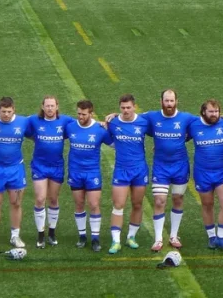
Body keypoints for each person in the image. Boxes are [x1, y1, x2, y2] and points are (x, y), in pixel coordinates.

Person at [142, 90, 196, 251]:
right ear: (161, 102)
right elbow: (131, 117)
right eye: (166, 101)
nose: (169, 104)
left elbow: (206, 121)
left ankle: (173, 235)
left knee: (178, 199)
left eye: (172, 101)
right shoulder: (152, 116)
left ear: (176, 102)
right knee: (159, 201)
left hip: (180, 166)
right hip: (161, 167)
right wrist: (114, 116)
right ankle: (158, 239)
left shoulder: (186, 118)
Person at [189, 99, 223, 252]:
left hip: (222, 173)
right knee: (207, 204)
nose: (214, 114)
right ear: (203, 112)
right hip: (202, 173)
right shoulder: (193, 125)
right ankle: (212, 237)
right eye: (211, 111)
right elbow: (175, 133)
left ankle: (222, 238)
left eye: (216, 111)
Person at [0, 97, 30, 249]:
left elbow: (37, 132)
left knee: (16, 203)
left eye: (9, 111)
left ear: (14, 110)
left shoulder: (23, 122)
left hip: (16, 169)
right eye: (3, 112)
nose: (6, 115)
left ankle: (15, 236)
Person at [26, 96, 73, 249]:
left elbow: (83, 124)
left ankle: (51, 232)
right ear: (42, 106)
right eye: (47, 106)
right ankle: (40, 233)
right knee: (40, 199)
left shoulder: (65, 121)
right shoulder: (34, 120)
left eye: (52, 106)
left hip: (56, 166)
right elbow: (16, 122)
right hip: (39, 166)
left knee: (53, 199)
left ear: (57, 106)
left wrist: (101, 123)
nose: (50, 108)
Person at [65, 100, 111, 252]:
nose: (80, 117)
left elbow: (115, 144)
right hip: (75, 172)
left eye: (84, 114)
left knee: (94, 204)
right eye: (78, 113)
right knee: (79, 204)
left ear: (91, 113)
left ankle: (95, 238)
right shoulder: (70, 126)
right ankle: (82, 236)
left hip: (92, 172)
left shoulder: (99, 129)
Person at [106, 94, 150, 253]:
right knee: (118, 205)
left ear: (134, 107)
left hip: (140, 170)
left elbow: (161, 128)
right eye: (123, 108)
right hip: (121, 170)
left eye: (128, 107)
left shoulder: (144, 121)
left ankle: (131, 237)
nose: (125, 110)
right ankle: (116, 241)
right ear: (119, 108)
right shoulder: (113, 122)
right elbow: (105, 135)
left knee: (137, 204)